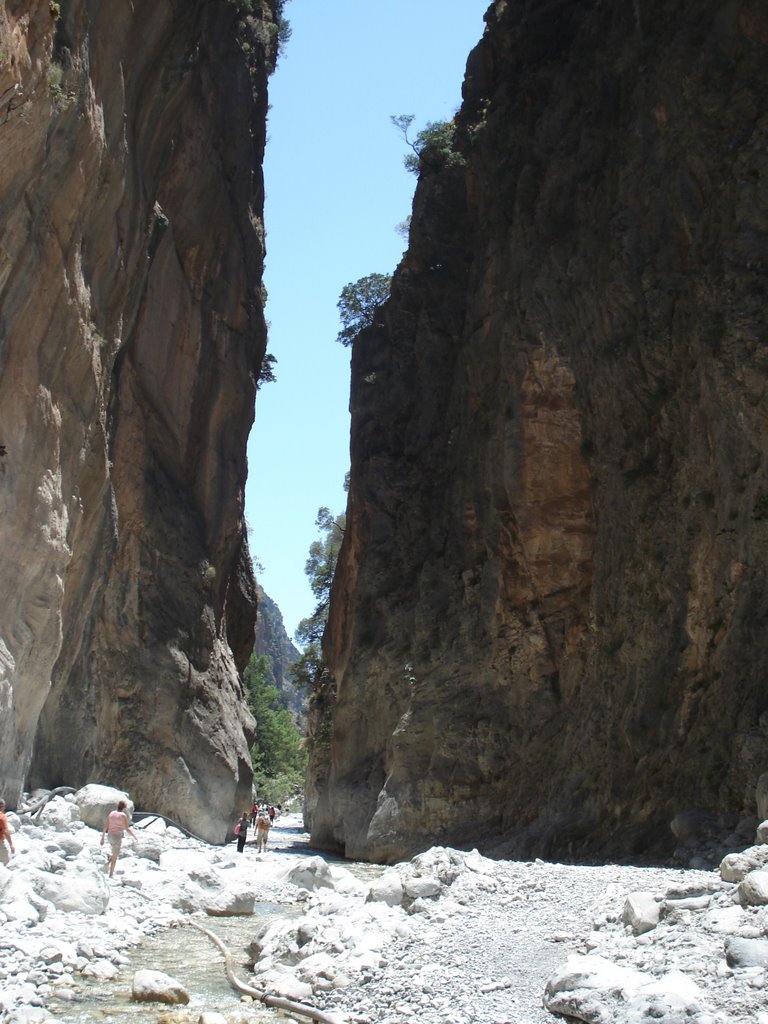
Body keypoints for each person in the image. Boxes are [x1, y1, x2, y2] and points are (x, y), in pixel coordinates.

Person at [100, 800, 135, 877]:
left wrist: (102, 838)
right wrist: (134, 836)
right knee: (115, 856)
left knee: (114, 853)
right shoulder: (123, 816)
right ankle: (111, 874)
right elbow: (127, 829)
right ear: (124, 808)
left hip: (109, 836)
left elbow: (106, 826)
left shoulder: (112, 813)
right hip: (117, 837)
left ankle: (107, 865)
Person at [0, 798, 16, 865]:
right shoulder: (2, 817)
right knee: (6, 861)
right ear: (2, 807)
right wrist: (11, 844)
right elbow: (6, 831)